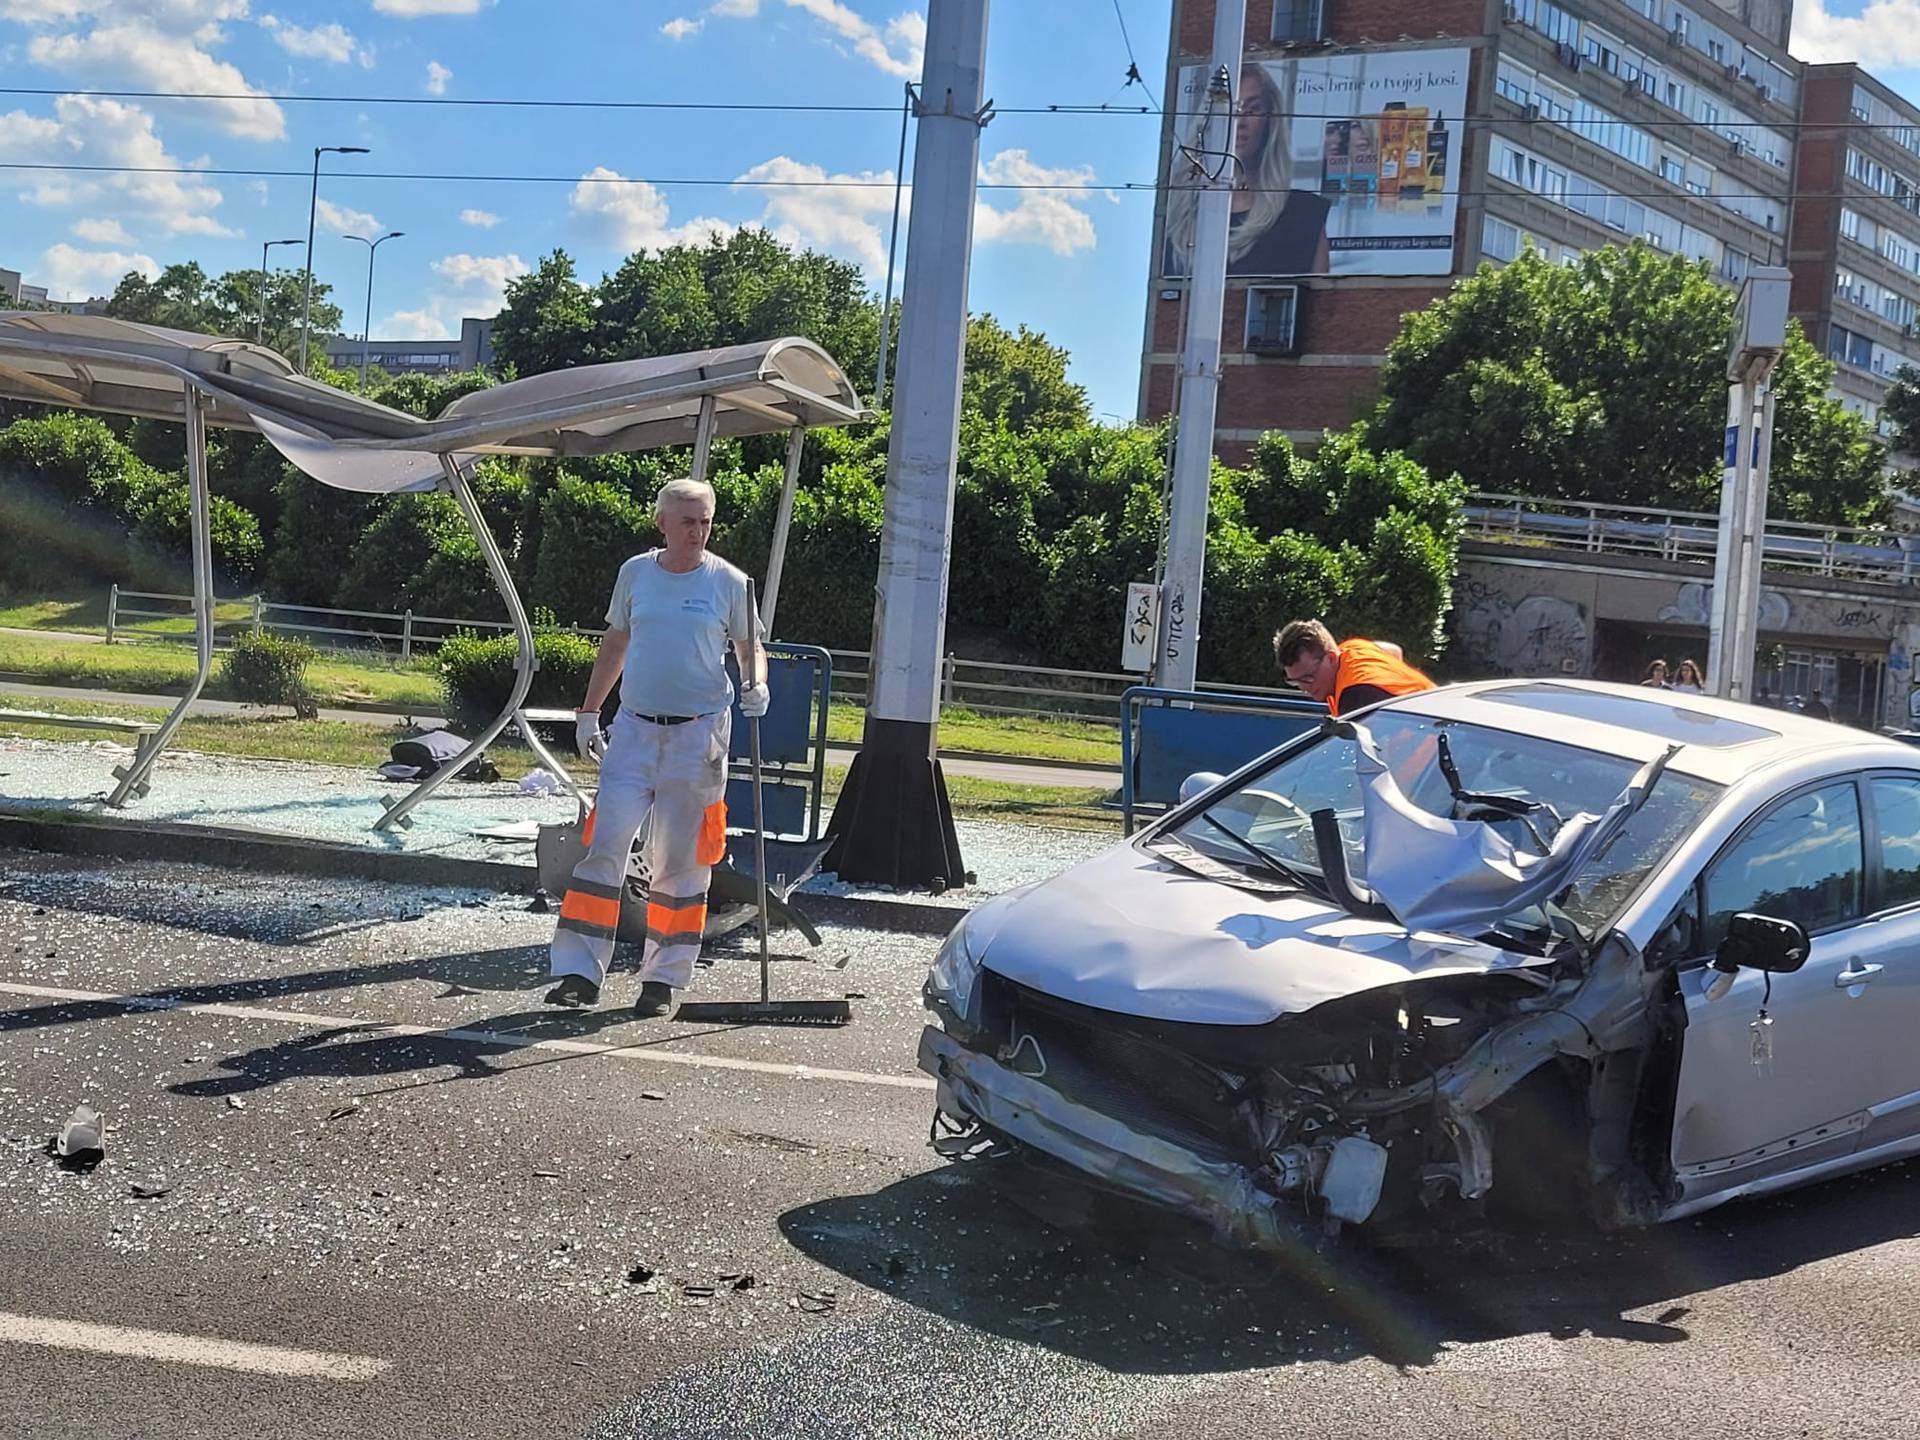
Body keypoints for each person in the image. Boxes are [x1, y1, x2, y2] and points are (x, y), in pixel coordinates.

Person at [544, 478, 769, 1016]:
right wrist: (590, 711)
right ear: (662, 523)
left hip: (698, 736)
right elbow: (616, 641)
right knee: (603, 850)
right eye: (687, 521)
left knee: (683, 862)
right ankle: (578, 973)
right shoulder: (636, 573)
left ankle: (662, 979)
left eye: (706, 521)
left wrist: (756, 682)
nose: (698, 531)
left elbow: (749, 646)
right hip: (635, 731)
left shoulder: (731, 583)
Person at [1163, 62, 1331, 279]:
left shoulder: (1305, 214)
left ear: (1271, 120)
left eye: (1252, 109)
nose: (1239, 122)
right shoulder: (1175, 215)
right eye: (1228, 110)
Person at [1272, 618, 1434, 717]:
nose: (1304, 688)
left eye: (1308, 677)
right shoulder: (1353, 649)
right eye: (1295, 681)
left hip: (1432, 748)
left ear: (1331, 658)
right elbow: (1394, 651)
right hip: (1443, 714)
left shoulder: (1356, 695)